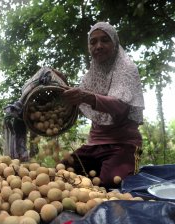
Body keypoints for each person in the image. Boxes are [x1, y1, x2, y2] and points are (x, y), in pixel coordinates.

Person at [61, 22, 144, 188]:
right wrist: (62, 86)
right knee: (62, 173)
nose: (98, 46)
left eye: (105, 40)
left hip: (122, 144)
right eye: (93, 42)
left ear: (115, 43)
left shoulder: (126, 69)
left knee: (111, 183)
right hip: (94, 144)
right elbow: (78, 100)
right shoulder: (90, 76)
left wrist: (86, 97)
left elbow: (120, 106)